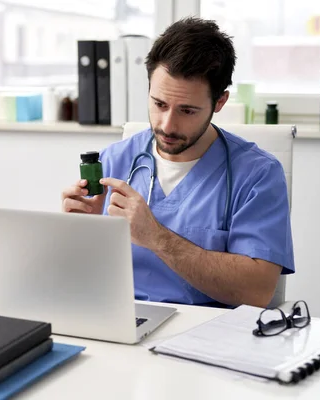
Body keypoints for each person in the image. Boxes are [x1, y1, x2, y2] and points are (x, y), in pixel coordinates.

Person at [61, 17, 294, 308]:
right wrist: (79, 232)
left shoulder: (258, 175)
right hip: (123, 322)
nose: (168, 125)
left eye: (187, 110)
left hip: (208, 335)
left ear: (219, 102)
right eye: (159, 104)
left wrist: (156, 237)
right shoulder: (113, 160)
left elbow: (257, 292)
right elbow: (81, 279)